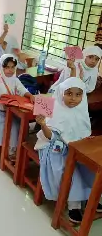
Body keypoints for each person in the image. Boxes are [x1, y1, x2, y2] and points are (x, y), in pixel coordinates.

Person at [35, 77, 102, 224]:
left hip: (76, 149)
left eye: (78, 95)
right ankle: (74, 205)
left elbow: (83, 133)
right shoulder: (56, 110)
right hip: (55, 150)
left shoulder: (81, 110)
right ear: (61, 93)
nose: (73, 98)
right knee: (72, 171)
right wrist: (43, 125)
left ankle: (91, 198)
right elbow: (51, 137)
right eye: (69, 93)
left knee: (90, 168)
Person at [0, 54, 34, 161]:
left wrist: (30, 96)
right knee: (13, 125)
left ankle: (19, 147)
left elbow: (22, 90)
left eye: (12, 67)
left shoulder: (15, 79)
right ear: (1, 67)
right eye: (7, 67)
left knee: (23, 124)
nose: (10, 70)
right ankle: (11, 150)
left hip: (10, 109)